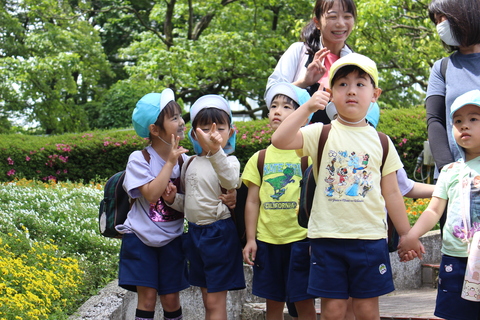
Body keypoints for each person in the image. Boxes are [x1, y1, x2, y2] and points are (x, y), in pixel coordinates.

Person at [271, 53, 424, 320]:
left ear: (375, 94)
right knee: (333, 310)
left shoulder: (382, 142)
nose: (351, 90)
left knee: (366, 309)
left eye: (360, 84)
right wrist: (306, 108)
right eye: (342, 84)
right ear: (330, 93)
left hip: (369, 239)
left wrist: (406, 233)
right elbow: (279, 140)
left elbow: (392, 193)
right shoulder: (320, 132)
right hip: (327, 238)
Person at [399, 89, 480, 320]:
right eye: (458, 121)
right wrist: (413, 235)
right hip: (455, 257)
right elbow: (434, 209)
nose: (464, 125)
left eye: (473, 119)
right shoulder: (450, 171)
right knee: (453, 313)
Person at [163, 94, 245, 320]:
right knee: (206, 298)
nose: (213, 133)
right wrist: (172, 200)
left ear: (231, 132)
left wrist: (216, 150)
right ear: (194, 132)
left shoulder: (230, 160)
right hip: (196, 234)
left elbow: (230, 181)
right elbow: (191, 203)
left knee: (214, 300)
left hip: (219, 234)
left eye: (220, 127)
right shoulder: (189, 162)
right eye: (206, 128)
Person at [242, 82, 316, 320]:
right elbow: (252, 202)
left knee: (304, 303)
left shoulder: (308, 155)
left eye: (286, 106)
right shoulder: (260, 158)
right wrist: (251, 239)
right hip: (268, 241)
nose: (277, 110)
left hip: (300, 241)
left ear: (302, 117)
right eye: (273, 106)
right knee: (272, 303)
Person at [116, 89, 190, 320]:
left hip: (172, 239)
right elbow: (150, 194)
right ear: (154, 129)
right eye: (173, 118)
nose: (181, 122)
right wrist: (169, 162)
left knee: (171, 300)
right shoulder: (139, 159)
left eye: (180, 116)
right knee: (147, 300)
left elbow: (194, 200)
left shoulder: (185, 160)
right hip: (139, 238)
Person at [265, 0, 357, 124]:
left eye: (347, 17)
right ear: (317, 22)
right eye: (332, 17)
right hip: (296, 139)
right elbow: (271, 95)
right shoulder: (299, 51)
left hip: (337, 140)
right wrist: (304, 82)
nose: (340, 24)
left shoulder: (355, 62)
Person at [426, 0, 480, 177]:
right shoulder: (442, 67)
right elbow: (435, 120)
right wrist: (447, 169)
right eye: (437, 21)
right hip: (455, 177)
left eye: (444, 18)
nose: (441, 26)